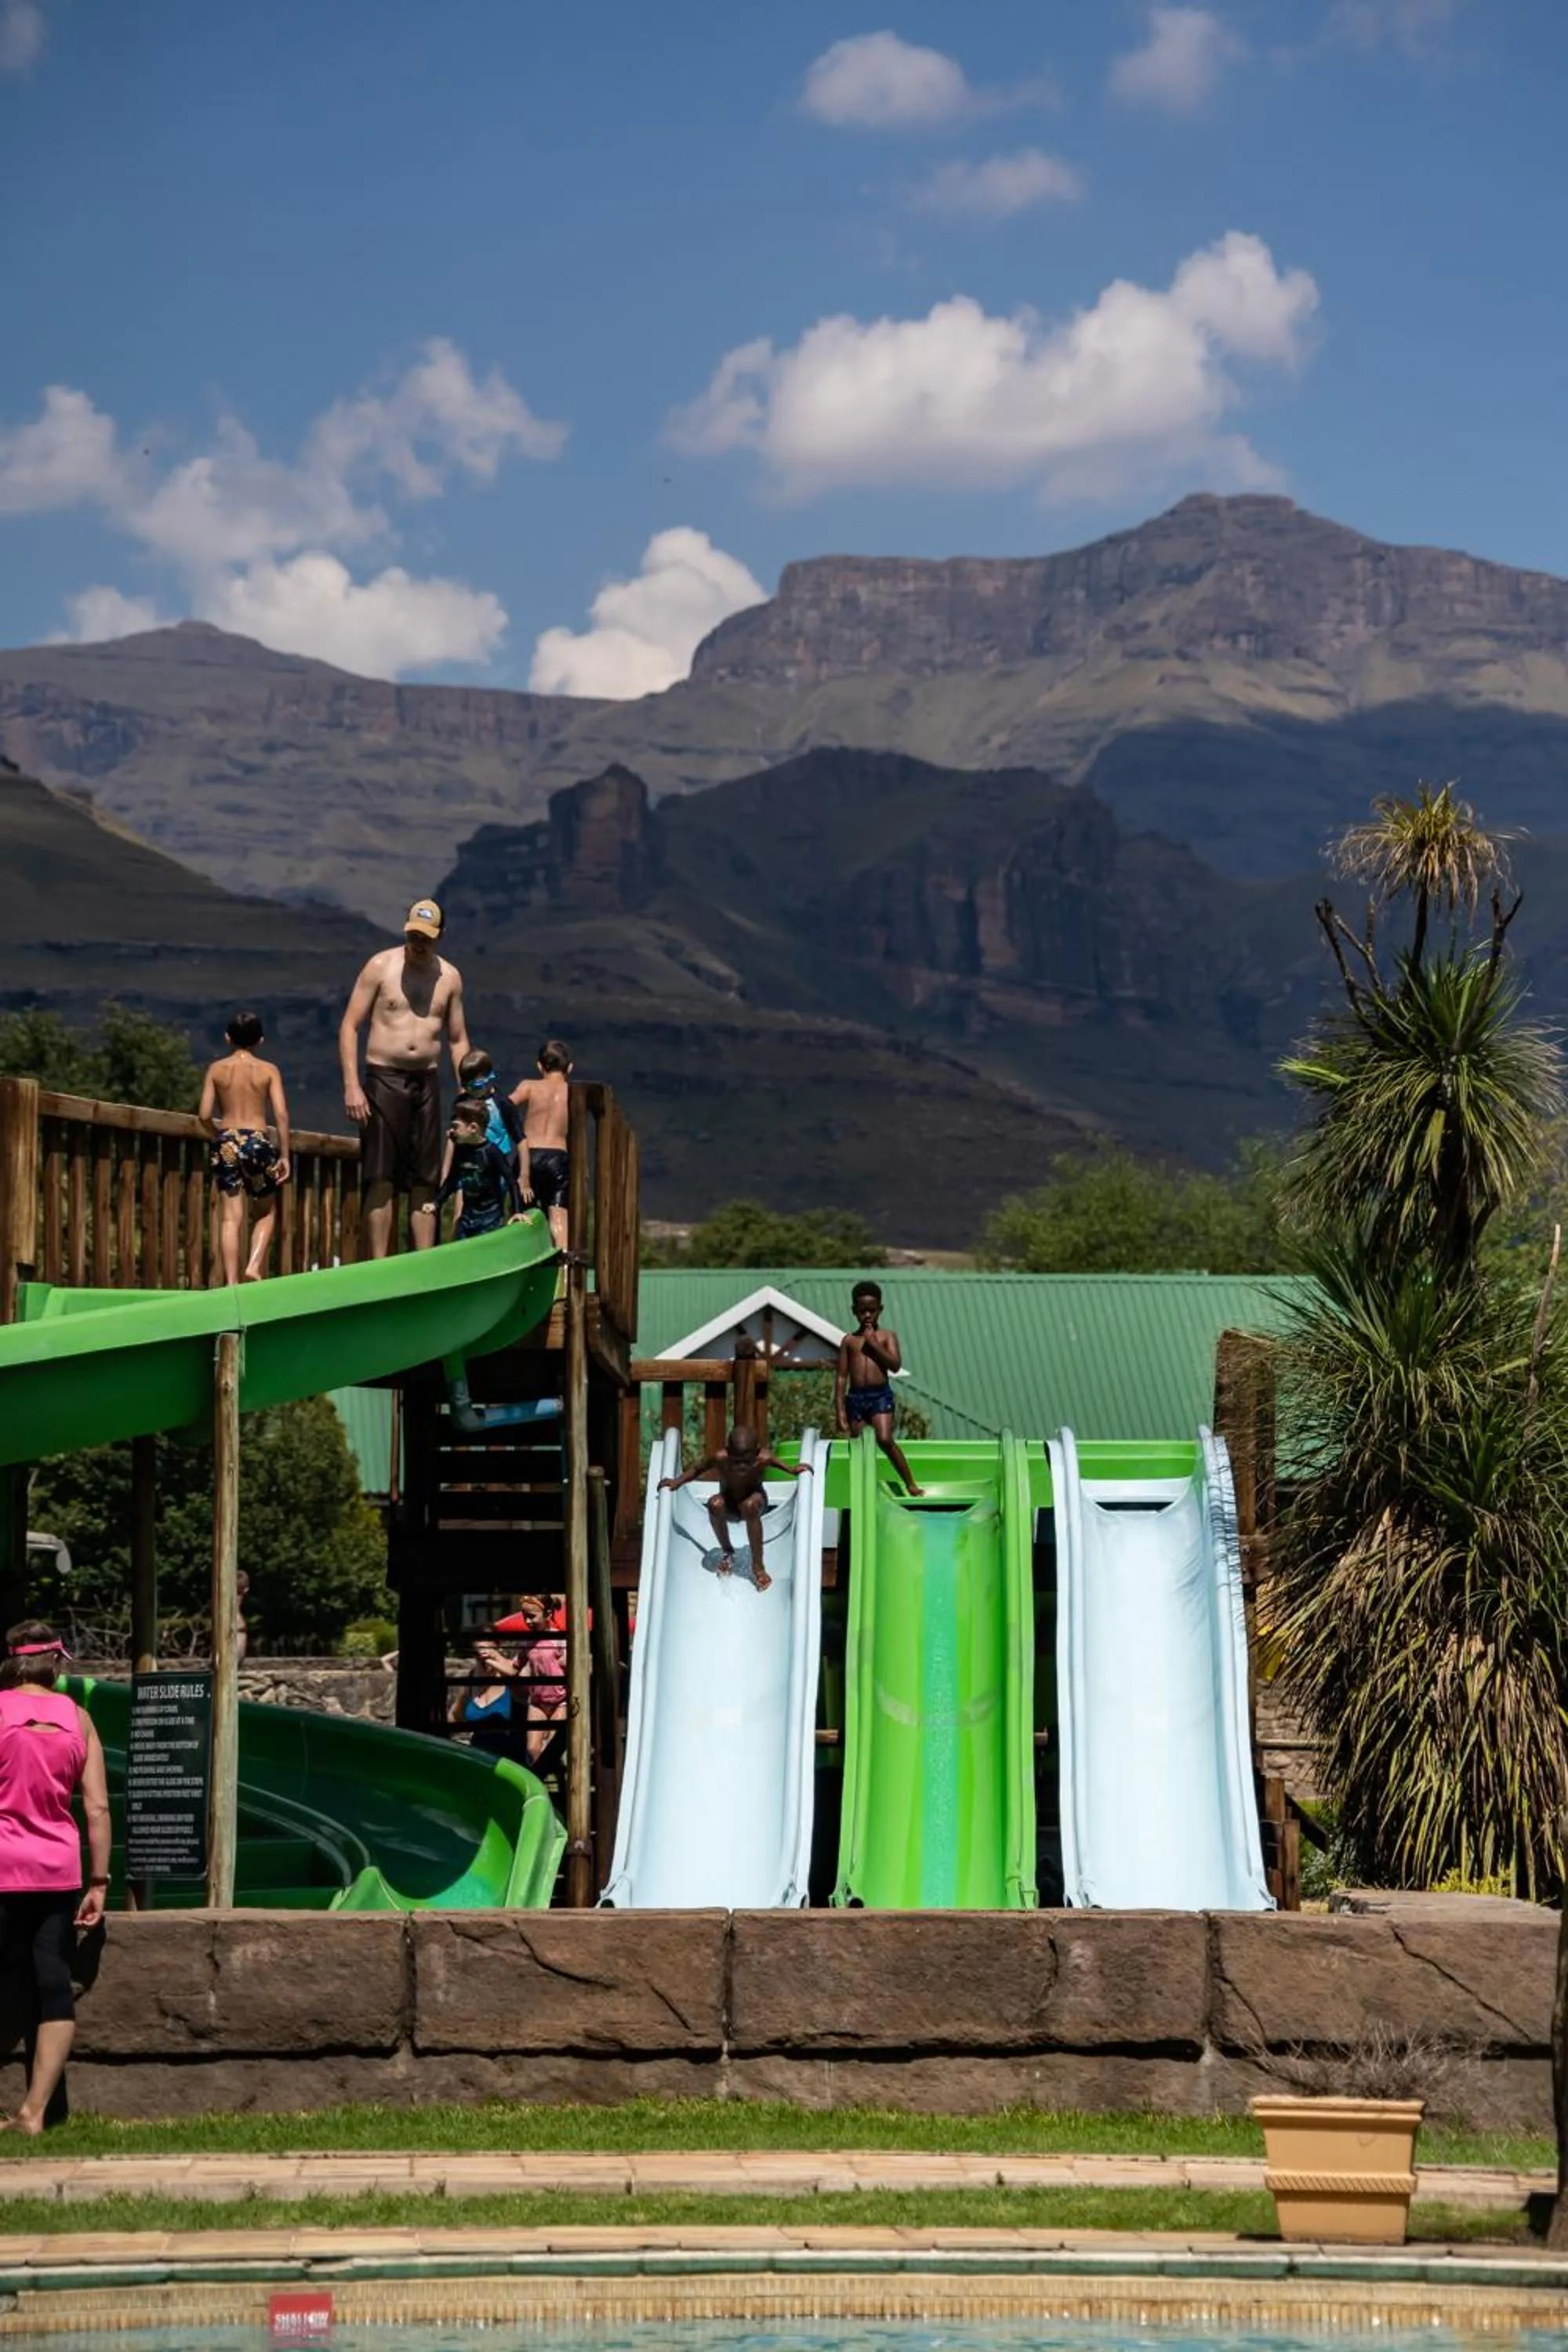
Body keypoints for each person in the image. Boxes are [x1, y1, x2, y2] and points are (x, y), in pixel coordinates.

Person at [0, 1623, 111, 2135]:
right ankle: (36, 2111)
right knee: (53, 1985)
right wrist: (100, 1881)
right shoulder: (80, 1719)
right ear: (56, 1664)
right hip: (56, 1871)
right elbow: (97, 1808)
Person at [339, 898, 470, 1259]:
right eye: (413, 935)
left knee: (425, 1179)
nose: (418, 943)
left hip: (425, 1081)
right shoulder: (381, 966)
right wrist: (352, 1086)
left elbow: (457, 1039)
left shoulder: (450, 978)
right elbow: (350, 1026)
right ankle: (381, 1263)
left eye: (426, 937)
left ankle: (423, 1264)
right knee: (381, 1176)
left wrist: (467, 1095)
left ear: (440, 935)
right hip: (384, 1077)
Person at [659, 1425, 812, 1593]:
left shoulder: (764, 1458)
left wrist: (793, 1469)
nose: (741, 1467)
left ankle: (758, 1567)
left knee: (750, 1505)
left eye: (747, 1462)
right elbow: (697, 1470)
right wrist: (676, 1482)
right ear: (728, 1451)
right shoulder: (720, 1458)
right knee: (714, 1504)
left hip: (755, 1503)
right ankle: (727, 1551)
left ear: (757, 1452)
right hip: (730, 1505)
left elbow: (787, 1468)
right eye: (737, 1462)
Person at [198, 1011, 292, 1284]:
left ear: (227, 1038)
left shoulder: (216, 1070)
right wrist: (285, 1154)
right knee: (265, 1211)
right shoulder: (268, 1070)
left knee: (230, 1218)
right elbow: (282, 1114)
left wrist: (218, 1135)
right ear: (260, 1040)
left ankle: (230, 1282)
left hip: (227, 1141)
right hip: (257, 1141)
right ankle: (253, 1266)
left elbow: (204, 1114)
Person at [837, 1281, 923, 1495]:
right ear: (854, 1311)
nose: (867, 1315)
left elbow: (894, 1365)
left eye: (872, 1311)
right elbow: (841, 1377)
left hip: (879, 1395)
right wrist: (839, 1410)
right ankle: (861, 1487)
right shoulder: (849, 1341)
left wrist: (874, 1343)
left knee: (884, 1438)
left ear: (880, 1310)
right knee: (858, 1446)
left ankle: (910, 1482)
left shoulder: (886, 1336)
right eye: (862, 1311)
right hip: (856, 1397)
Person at [510, 1040, 572, 1250]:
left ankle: (524, 1259)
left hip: (529, 1155)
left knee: (523, 1214)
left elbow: (506, 1106)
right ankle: (563, 1263)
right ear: (570, 1068)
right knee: (558, 1214)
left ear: (539, 1066)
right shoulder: (571, 1092)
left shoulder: (529, 1086)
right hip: (557, 1157)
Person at [436, 1096, 523, 1240]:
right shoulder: (461, 1151)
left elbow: (511, 1181)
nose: (451, 1132)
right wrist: (437, 1203)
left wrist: (518, 1211)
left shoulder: (492, 1152)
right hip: (467, 1217)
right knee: (460, 1248)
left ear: (473, 1128)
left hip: (490, 1218)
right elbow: (452, 1180)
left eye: (456, 1127)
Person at [458, 1049, 527, 1180]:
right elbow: (453, 1139)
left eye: (475, 1086)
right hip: (469, 1164)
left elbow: (521, 1140)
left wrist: (524, 1176)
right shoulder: (463, 1102)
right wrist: (445, 1173)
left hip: (497, 1167)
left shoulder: (503, 1104)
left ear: (489, 1079)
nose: (470, 1092)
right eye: (465, 1086)